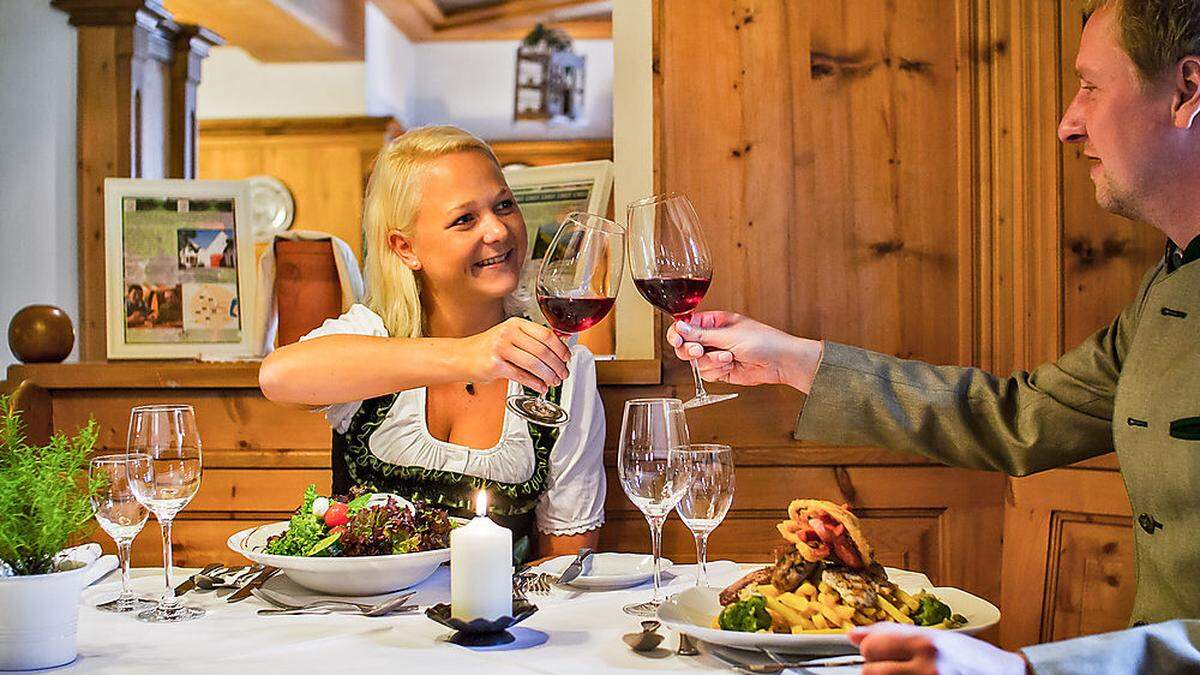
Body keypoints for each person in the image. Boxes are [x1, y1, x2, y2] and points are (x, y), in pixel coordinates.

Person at [667, 1, 1200, 672]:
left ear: (1187, 91)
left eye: (1091, 86)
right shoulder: (1166, 286)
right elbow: (1015, 417)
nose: (1068, 121)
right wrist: (792, 361)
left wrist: (1022, 668)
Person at [259, 126, 606, 562]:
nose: (498, 231)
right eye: (465, 219)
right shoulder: (372, 334)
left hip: (492, 626)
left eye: (504, 206)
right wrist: (469, 356)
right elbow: (278, 377)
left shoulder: (561, 366)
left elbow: (566, 561)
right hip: (358, 622)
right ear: (406, 248)